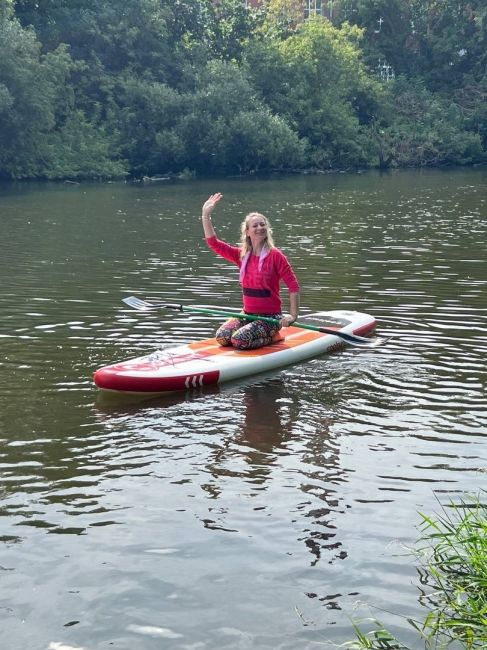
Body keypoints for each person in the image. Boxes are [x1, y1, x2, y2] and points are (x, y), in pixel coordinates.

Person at [201, 192, 300, 350]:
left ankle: (274, 336)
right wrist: (206, 216)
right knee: (222, 337)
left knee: (240, 340)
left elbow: (293, 286)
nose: (260, 228)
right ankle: (257, 334)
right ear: (247, 232)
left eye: (263, 224)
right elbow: (214, 243)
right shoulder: (241, 255)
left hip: (271, 318)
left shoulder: (276, 256)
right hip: (247, 314)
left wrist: (293, 316)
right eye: (255, 225)